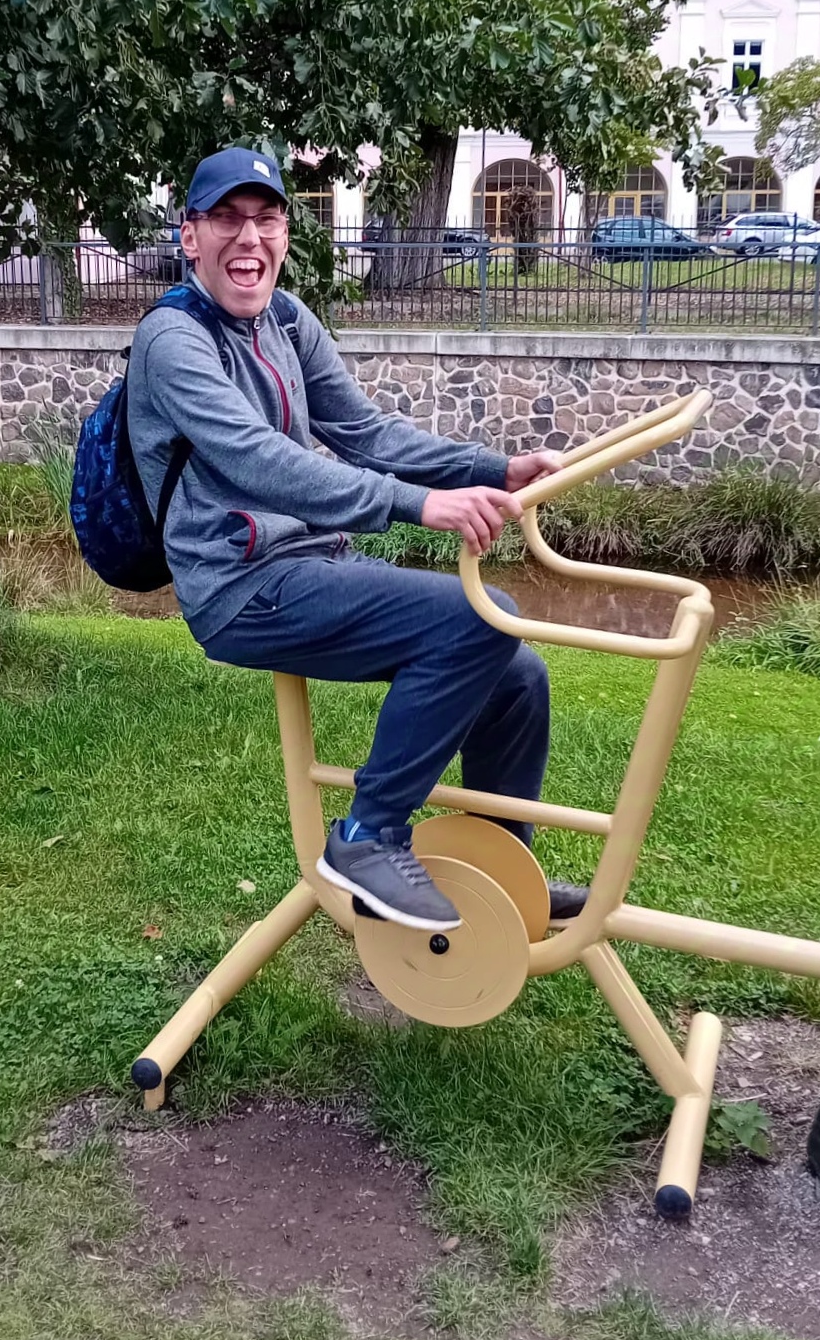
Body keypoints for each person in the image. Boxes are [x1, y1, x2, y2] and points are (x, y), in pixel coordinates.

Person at [127, 146, 587, 932]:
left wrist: (493, 468)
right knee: (482, 615)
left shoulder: (286, 319)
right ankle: (368, 838)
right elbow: (259, 461)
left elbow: (366, 432)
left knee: (517, 673)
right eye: (227, 219)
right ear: (189, 236)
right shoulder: (173, 340)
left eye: (266, 219)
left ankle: (499, 872)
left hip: (312, 562)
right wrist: (417, 505)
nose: (249, 237)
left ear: (285, 234)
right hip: (239, 586)